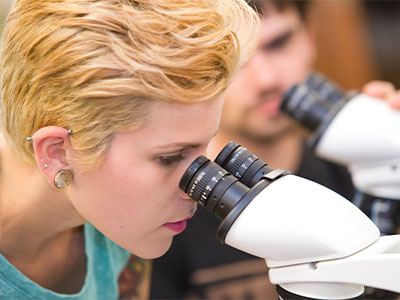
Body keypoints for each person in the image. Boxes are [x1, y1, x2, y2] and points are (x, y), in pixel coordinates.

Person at [0, 0, 261, 298]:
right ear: (58, 152)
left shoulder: (118, 220)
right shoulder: (122, 213)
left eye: (204, 149)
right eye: (169, 158)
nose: (197, 188)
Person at [150, 1, 400, 299]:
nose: (267, 79)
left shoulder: (359, 165)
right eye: (235, 61)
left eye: (279, 43)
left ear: (310, 34)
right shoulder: (164, 212)